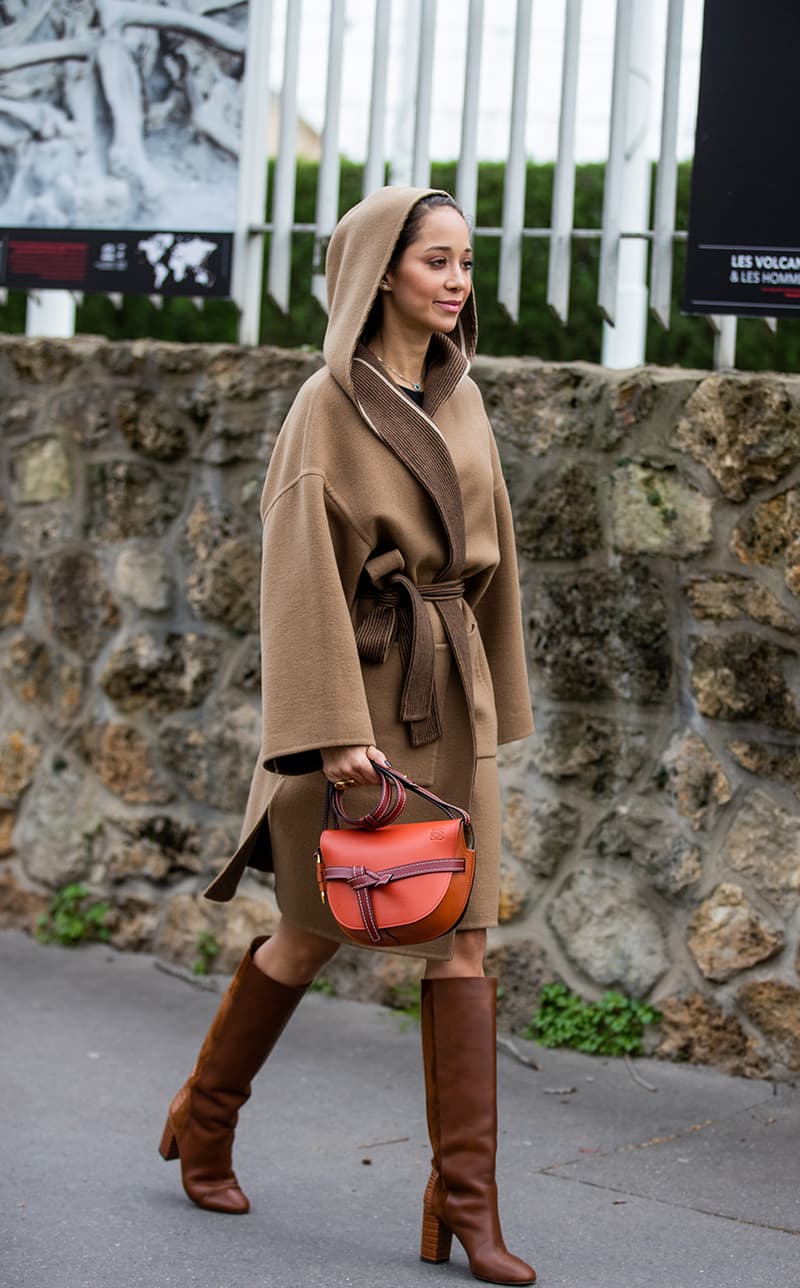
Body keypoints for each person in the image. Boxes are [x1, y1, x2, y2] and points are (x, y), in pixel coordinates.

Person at [159, 186, 536, 1286]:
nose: (457, 279)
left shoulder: (462, 398)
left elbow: (493, 552)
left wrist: (494, 702)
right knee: (313, 925)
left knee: (461, 935)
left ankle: (463, 1205)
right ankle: (206, 1116)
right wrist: (328, 730)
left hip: (445, 687)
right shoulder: (323, 407)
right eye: (434, 261)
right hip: (360, 701)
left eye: (465, 260)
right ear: (380, 273)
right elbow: (295, 572)